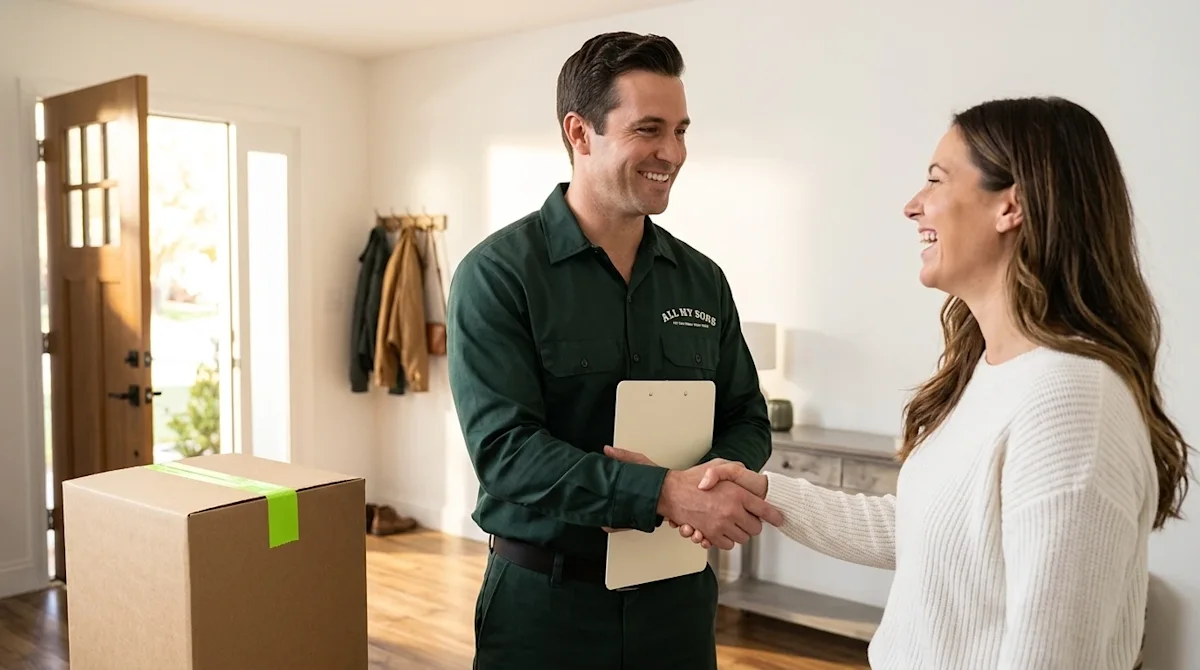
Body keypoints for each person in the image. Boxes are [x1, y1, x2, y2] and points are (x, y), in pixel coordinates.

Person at [625, 96, 1193, 670]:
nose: (912, 206)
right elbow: (915, 527)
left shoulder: (1072, 402)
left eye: (935, 179)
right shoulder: (991, 373)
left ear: (1011, 207)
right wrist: (762, 492)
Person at [445, 32, 781, 670]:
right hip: (546, 609)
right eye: (649, 129)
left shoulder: (702, 279)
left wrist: (709, 486)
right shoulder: (498, 275)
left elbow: (746, 416)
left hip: (677, 603)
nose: (673, 153)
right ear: (580, 132)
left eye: (681, 130)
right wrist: (662, 493)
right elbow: (505, 452)